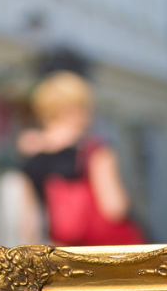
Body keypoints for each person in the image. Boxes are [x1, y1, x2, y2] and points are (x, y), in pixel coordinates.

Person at [17, 71, 144, 246]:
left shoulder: (31, 158)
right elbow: (115, 207)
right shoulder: (95, 149)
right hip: (110, 250)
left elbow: (29, 223)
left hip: (68, 254)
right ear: (75, 109)